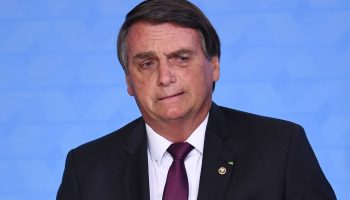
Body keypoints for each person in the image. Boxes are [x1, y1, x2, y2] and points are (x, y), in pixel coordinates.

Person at [57, 0, 336, 199]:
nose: (165, 77)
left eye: (180, 58)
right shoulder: (86, 169)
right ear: (129, 81)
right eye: (147, 64)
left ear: (214, 65)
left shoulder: (279, 149)